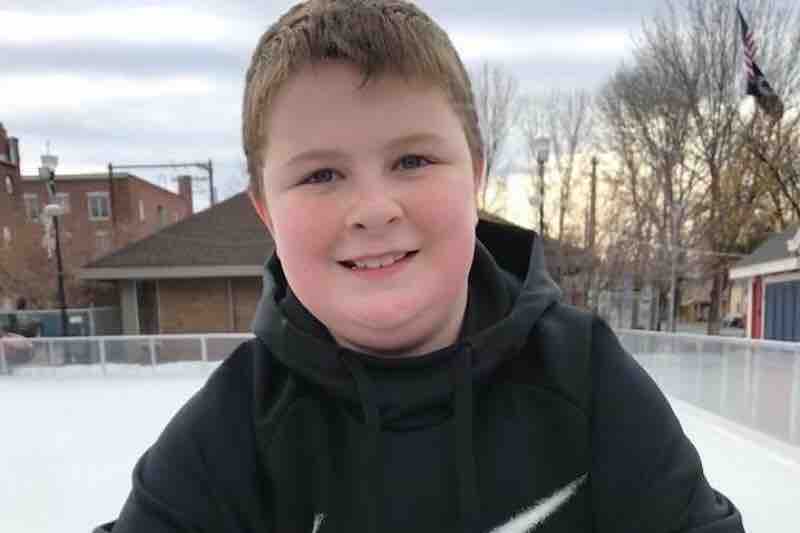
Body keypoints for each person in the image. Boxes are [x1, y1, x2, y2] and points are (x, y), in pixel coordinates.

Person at [95, 1, 744, 531]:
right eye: (321, 174)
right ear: (266, 211)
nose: (374, 209)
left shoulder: (585, 380)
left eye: (412, 161)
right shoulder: (233, 435)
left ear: (476, 176)